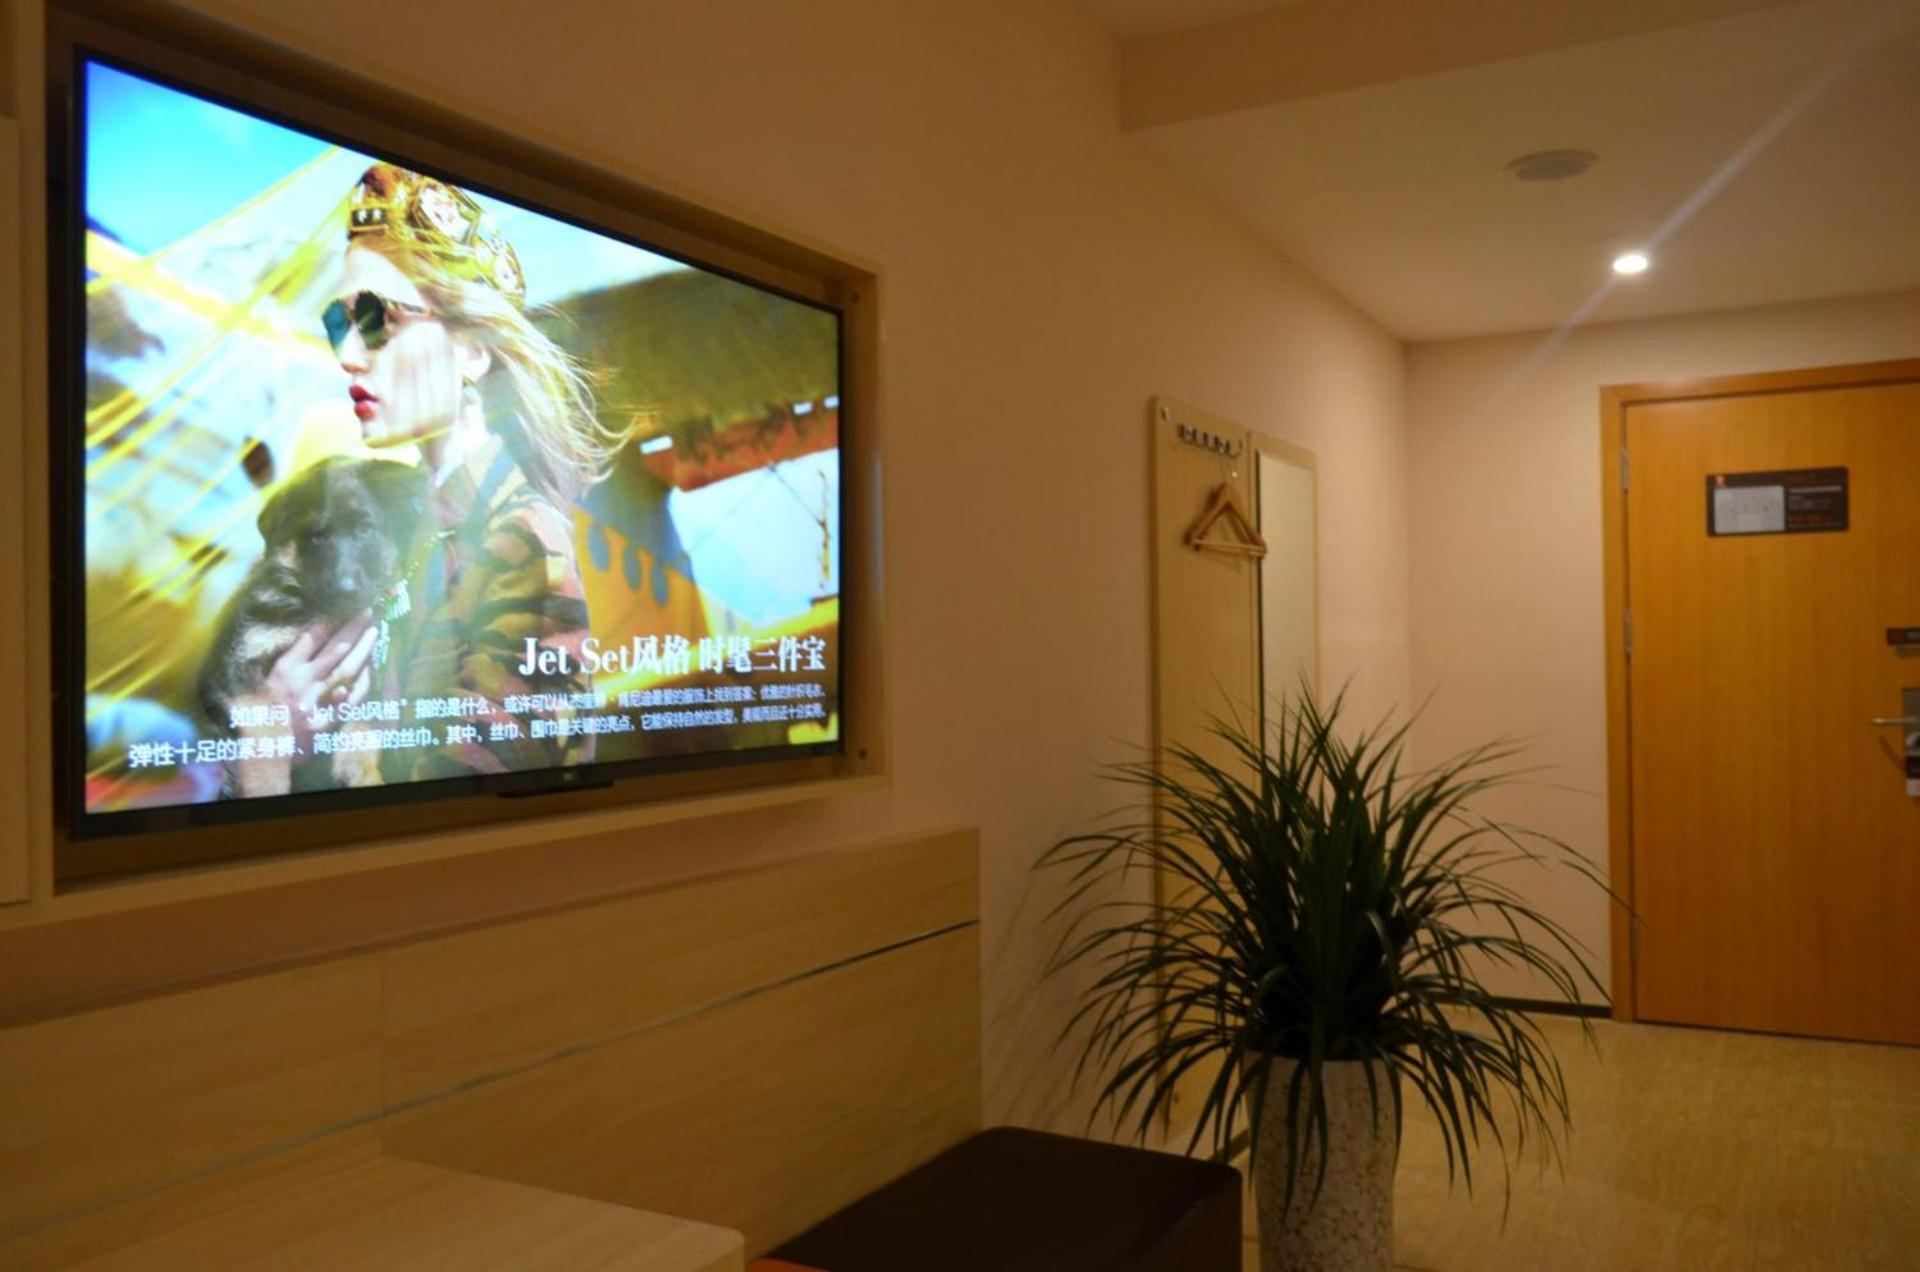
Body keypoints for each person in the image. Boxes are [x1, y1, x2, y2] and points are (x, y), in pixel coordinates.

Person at [235, 163, 620, 795]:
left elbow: (469, 817)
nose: (349, 355)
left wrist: (268, 753)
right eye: (338, 322)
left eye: (378, 320)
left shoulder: (521, 538)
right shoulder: (407, 523)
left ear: (472, 350)